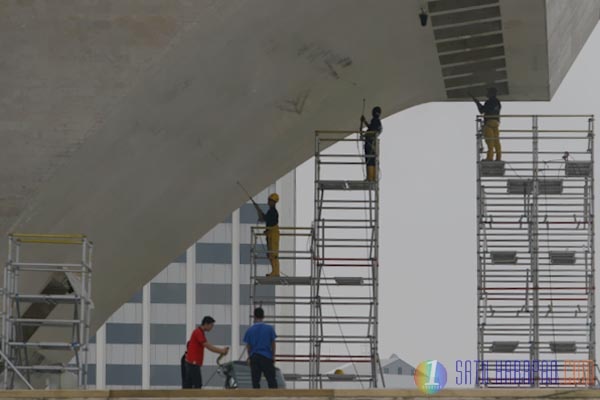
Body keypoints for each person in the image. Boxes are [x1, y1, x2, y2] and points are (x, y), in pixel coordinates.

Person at [183, 316, 229, 389]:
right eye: (211, 325)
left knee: (188, 385)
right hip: (193, 363)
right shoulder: (198, 332)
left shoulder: (200, 332)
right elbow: (208, 346)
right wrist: (221, 350)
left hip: (192, 362)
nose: (212, 328)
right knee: (197, 384)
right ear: (206, 324)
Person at [243, 307, 278, 389]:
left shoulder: (250, 330)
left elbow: (248, 346)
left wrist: (250, 357)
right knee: (271, 380)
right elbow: (273, 343)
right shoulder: (269, 329)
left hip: (254, 357)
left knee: (255, 382)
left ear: (254, 317)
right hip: (266, 356)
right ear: (263, 316)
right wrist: (273, 356)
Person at [471, 87, 502, 161]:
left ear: (491, 94)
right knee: (496, 142)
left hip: (489, 124)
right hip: (496, 123)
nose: (486, 94)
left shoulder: (489, 102)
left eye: (488, 92)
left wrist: (477, 102)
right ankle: (498, 158)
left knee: (490, 143)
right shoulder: (498, 102)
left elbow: (482, 110)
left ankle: (489, 158)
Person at [254, 193, 280, 277]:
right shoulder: (271, 211)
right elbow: (268, 221)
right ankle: (274, 271)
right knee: (270, 254)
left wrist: (261, 215)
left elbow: (268, 220)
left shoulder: (273, 212)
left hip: (273, 234)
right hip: (270, 233)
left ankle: (276, 272)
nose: (268, 202)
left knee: (273, 253)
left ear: (273, 202)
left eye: (270, 200)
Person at [360, 106, 383, 181]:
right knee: (371, 160)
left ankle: (370, 177)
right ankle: (371, 177)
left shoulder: (375, 121)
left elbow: (371, 130)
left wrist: (365, 133)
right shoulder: (377, 121)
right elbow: (371, 128)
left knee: (369, 160)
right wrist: (365, 121)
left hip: (370, 143)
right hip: (371, 143)